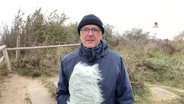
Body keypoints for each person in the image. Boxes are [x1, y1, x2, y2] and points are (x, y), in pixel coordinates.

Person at [56, 14, 134, 104]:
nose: (90, 34)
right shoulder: (67, 61)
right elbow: (61, 94)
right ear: (80, 34)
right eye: (85, 30)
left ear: (101, 34)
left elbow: (126, 98)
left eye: (95, 30)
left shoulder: (116, 60)